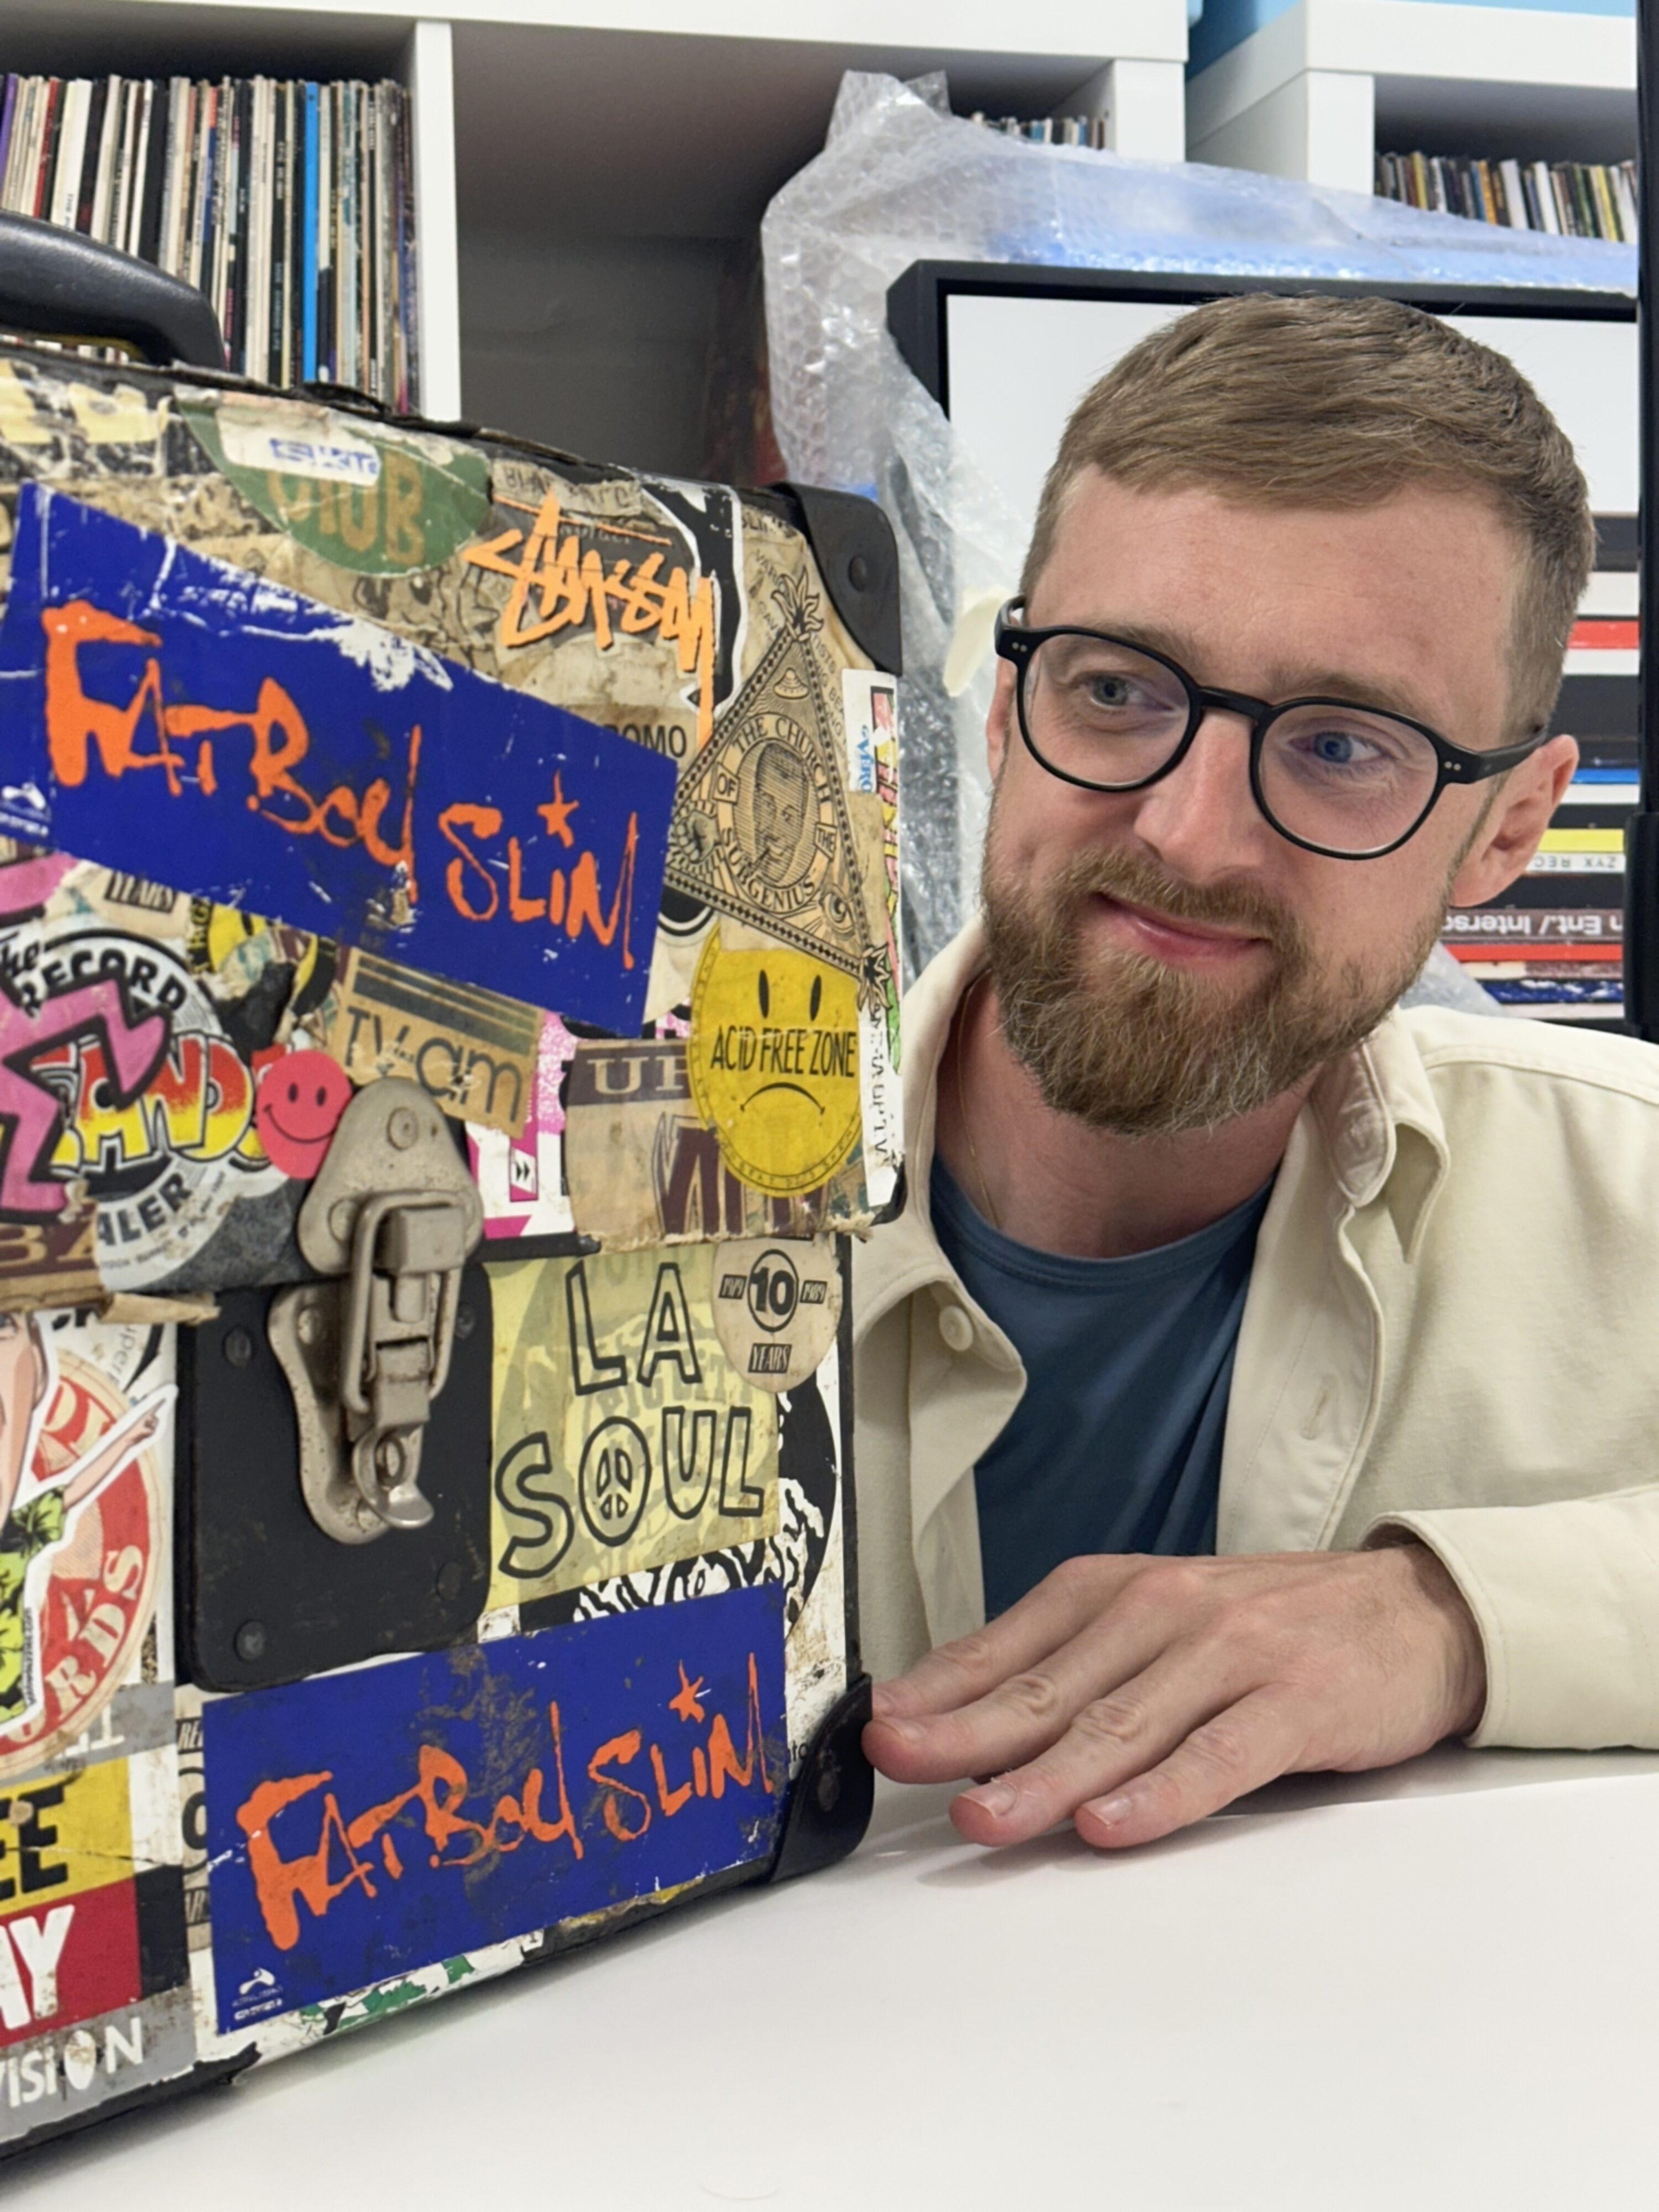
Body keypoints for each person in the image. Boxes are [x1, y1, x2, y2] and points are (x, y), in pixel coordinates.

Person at [854, 293, 1659, 1853]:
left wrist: (1444, 1619)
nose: (1185, 833)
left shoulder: (1624, 1190)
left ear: (1509, 828)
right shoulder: (633, 1197)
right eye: (1115, 688)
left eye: (1344, 743)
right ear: (1009, 700)